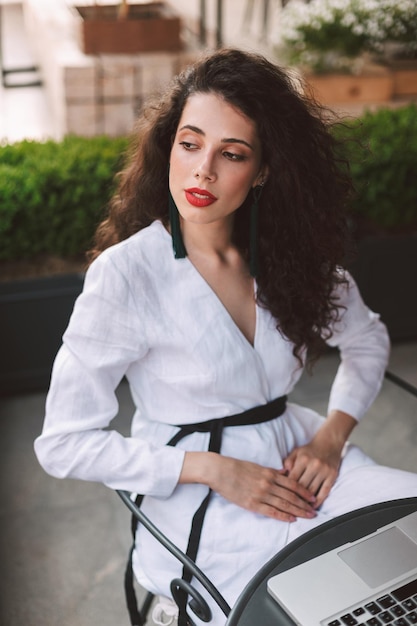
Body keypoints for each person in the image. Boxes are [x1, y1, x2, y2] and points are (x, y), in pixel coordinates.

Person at [34, 48, 417, 626]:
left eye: (231, 153)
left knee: (399, 549)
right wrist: (212, 469)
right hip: (198, 489)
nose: (203, 170)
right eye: (190, 144)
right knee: (282, 608)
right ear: (170, 146)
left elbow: (366, 340)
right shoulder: (127, 275)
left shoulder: (292, 261)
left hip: (302, 457)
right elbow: (62, 443)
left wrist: (333, 436)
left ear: (262, 170)